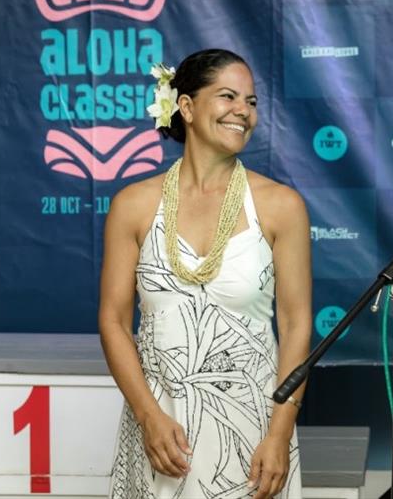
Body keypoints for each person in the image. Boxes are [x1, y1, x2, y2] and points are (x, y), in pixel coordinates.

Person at [99, 49, 311, 499]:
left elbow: (296, 326)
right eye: (228, 96)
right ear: (187, 107)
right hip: (160, 429)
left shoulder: (281, 206)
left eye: (251, 101)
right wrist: (148, 416)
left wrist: (278, 435)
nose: (243, 112)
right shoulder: (132, 205)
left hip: (254, 433)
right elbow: (114, 322)